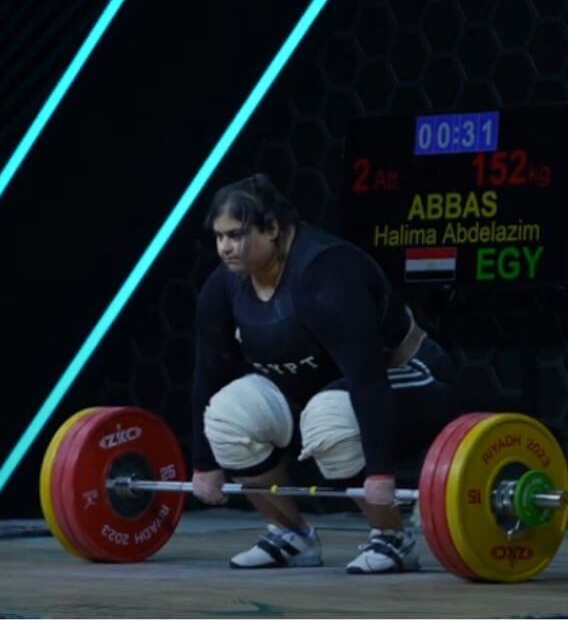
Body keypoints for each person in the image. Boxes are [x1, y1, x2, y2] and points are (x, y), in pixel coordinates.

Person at [190, 173, 460, 574]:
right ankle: (290, 534)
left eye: (236, 235)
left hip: (411, 380)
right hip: (318, 391)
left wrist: (381, 473)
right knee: (229, 417)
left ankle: (392, 538)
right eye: (219, 236)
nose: (225, 248)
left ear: (273, 229)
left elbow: (367, 378)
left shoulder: (326, 277)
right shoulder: (224, 286)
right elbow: (208, 372)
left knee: (329, 418)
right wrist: (203, 462)